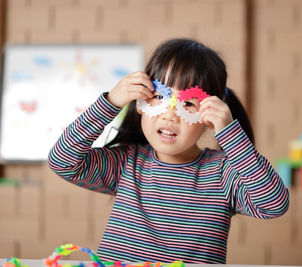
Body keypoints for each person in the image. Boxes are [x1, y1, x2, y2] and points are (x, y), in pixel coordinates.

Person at [48, 38, 289, 264]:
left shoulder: (223, 174)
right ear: (141, 103)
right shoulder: (125, 163)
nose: (170, 114)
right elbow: (62, 161)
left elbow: (273, 204)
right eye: (159, 97)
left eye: (188, 103)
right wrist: (110, 103)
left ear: (207, 116)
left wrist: (230, 134)